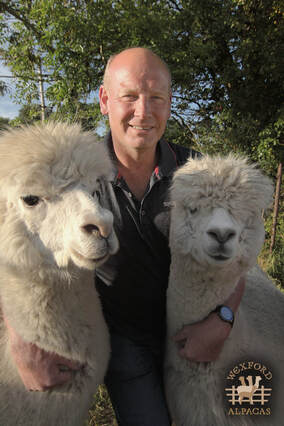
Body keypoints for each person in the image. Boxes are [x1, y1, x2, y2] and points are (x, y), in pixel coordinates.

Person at [3, 47, 245, 425]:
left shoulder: (199, 176)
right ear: (104, 100)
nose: (143, 113)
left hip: (193, 327)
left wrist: (224, 317)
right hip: (122, 339)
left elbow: (239, 255)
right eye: (130, 96)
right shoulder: (75, 172)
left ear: (169, 103)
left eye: (157, 98)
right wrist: (19, 340)